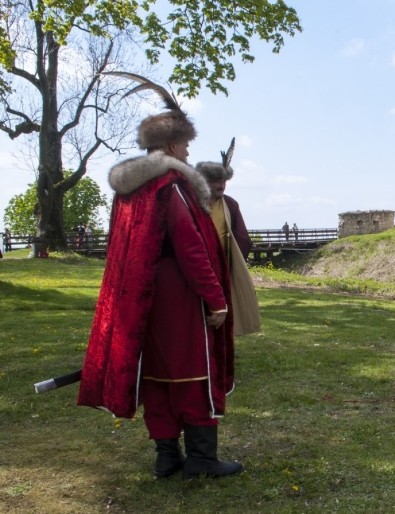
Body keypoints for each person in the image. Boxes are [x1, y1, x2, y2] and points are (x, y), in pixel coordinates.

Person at [77, 73, 242, 479]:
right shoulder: (172, 187)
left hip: (142, 297)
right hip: (178, 296)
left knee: (156, 376)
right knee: (191, 372)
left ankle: (167, 456)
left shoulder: (130, 191)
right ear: (170, 145)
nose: (188, 151)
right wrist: (215, 298)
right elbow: (190, 248)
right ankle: (201, 458)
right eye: (185, 143)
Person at [196, 138, 261, 337]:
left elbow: (242, 238)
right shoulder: (192, 202)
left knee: (221, 317)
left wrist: (230, 264)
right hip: (196, 265)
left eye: (223, 181)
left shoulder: (230, 205)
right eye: (216, 180)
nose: (221, 185)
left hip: (221, 267)